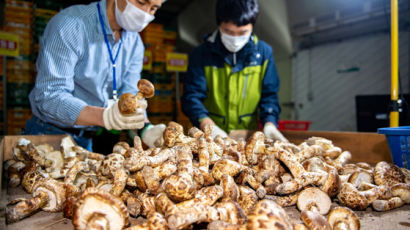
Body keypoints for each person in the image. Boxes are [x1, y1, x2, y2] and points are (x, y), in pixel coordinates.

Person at [24, 0, 166, 151]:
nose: (145, 13)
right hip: (49, 135)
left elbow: (131, 93)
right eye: (141, 2)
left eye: (153, 9)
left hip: (88, 139)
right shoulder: (71, 25)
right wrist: (104, 116)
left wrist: (145, 127)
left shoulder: (134, 42)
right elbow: (49, 97)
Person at [181, 0, 288, 142]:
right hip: (209, 137)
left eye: (243, 32)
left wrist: (269, 123)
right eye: (228, 31)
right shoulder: (201, 54)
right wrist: (207, 125)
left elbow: (269, 95)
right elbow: (192, 96)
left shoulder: (263, 53)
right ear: (219, 25)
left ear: (252, 26)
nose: (235, 39)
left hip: (247, 136)